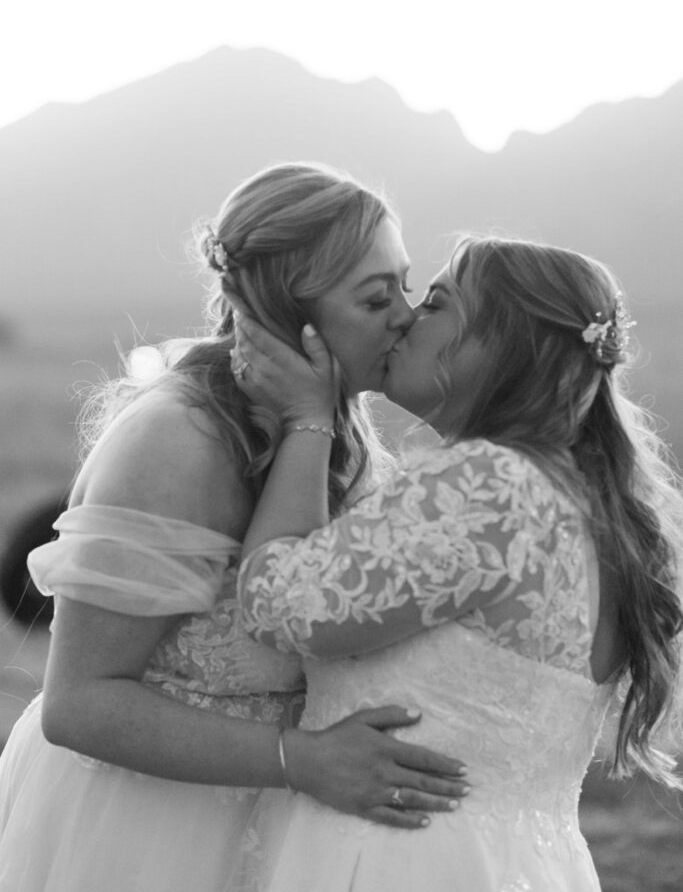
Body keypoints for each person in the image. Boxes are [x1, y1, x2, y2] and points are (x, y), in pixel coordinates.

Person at [0, 164, 469, 892]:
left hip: (286, 818)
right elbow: (80, 705)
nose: (404, 315)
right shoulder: (175, 441)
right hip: (143, 831)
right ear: (289, 313)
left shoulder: (331, 422)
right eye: (377, 297)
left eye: (405, 286)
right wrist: (297, 759)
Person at [232, 234, 683, 892]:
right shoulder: (598, 506)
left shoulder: (487, 486)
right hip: (529, 866)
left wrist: (307, 419)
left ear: (498, 346)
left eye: (437, 303)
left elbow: (277, 603)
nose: (407, 319)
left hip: (399, 862)